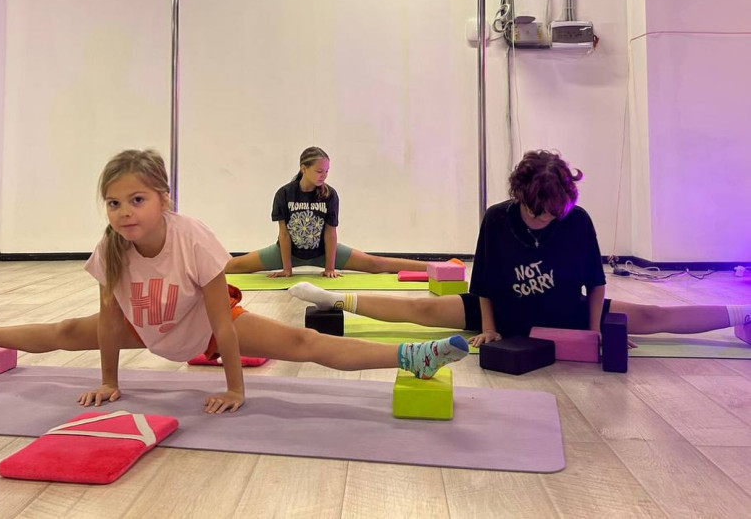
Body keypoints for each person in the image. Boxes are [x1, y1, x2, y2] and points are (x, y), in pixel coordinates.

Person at [0, 150, 469, 414]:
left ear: (163, 199)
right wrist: (110, 382)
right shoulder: (110, 248)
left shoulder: (194, 238)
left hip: (203, 326)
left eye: (137, 200)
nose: (123, 212)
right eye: (114, 203)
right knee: (65, 331)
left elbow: (223, 322)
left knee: (302, 342)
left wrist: (234, 388)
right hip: (145, 325)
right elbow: (110, 321)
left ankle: (410, 356)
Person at [287, 150, 751, 347]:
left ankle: (740, 315)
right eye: (538, 212)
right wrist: (489, 329)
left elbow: (595, 284)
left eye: (554, 213)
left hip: (564, 313)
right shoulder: (497, 218)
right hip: (501, 312)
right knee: (420, 309)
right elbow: (485, 282)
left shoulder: (577, 220)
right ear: (521, 197)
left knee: (651, 316)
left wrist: (593, 334)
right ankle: (333, 298)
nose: (547, 220)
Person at [225, 146, 437, 278]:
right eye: (319, 171)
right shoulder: (284, 194)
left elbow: (330, 233)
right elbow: (284, 233)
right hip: (288, 253)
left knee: (376, 264)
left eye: (326, 171)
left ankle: (437, 267)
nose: (323, 175)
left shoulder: (329, 194)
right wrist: (287, 268)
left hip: (323, 252)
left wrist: (330, 267)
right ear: (303, 168)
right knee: (233, 266)